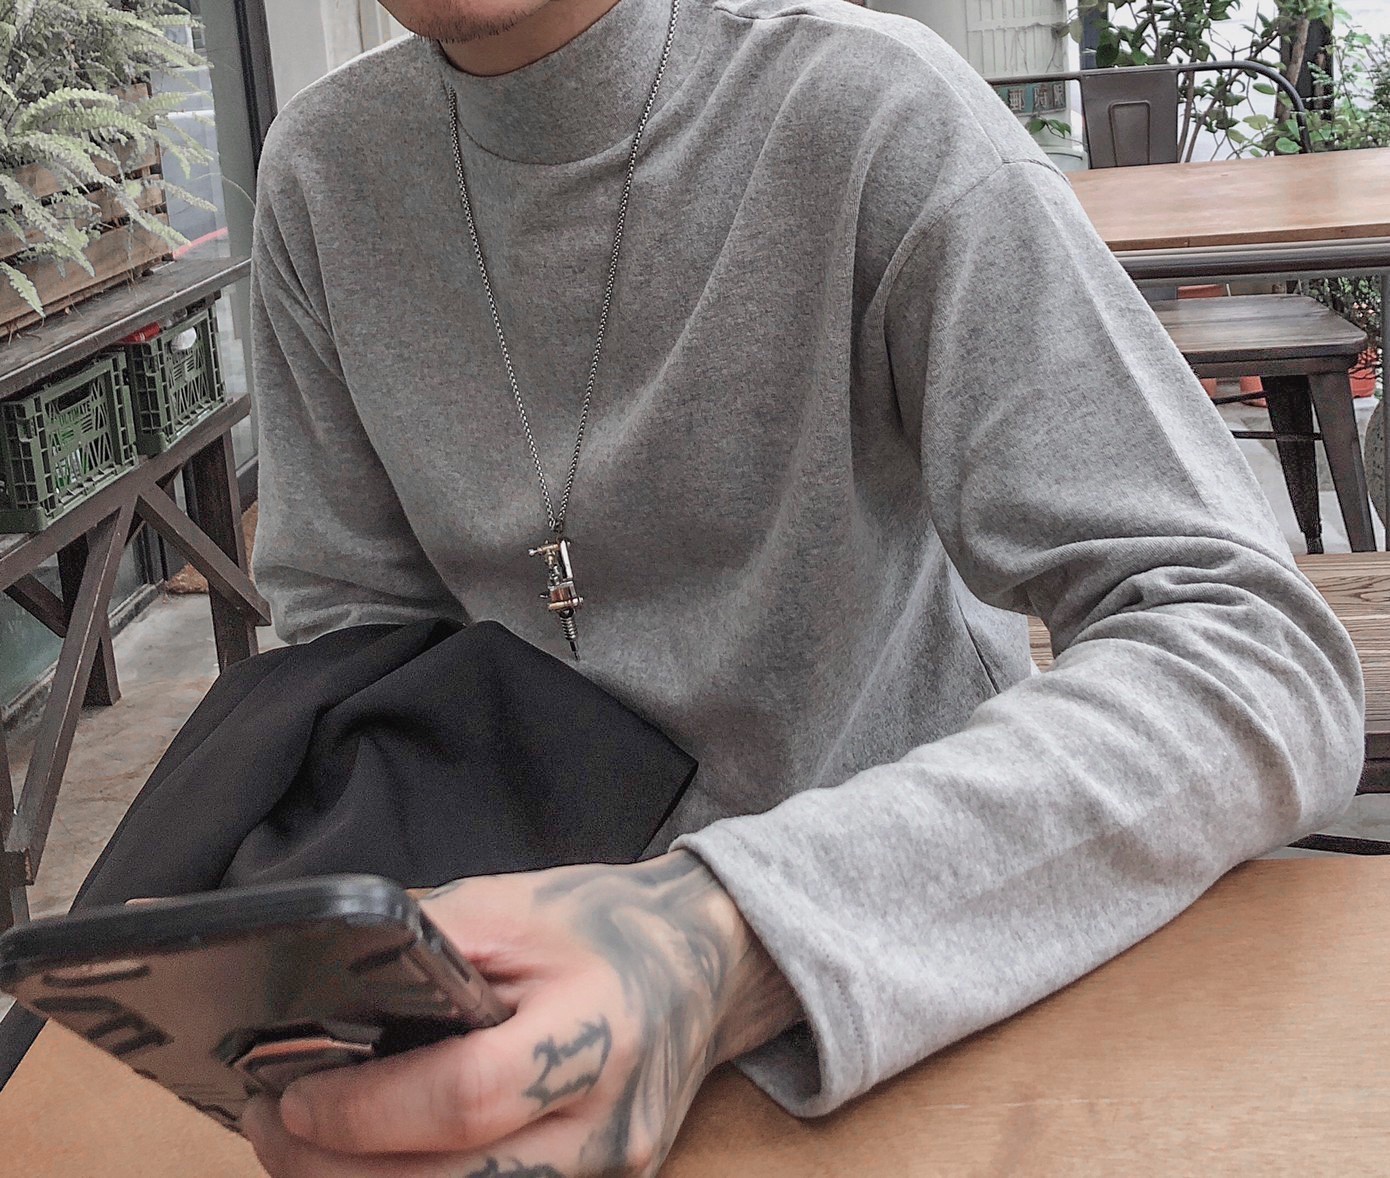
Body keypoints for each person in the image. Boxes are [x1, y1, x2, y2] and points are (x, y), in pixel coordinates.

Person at [239, 0, 1364, 1172]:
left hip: (934, 990)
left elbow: (1258, 655)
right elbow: (356, 647)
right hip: (520, 1026)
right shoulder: (324, 173)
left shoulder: (870, 111)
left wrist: (726, 938)